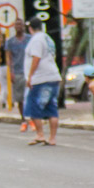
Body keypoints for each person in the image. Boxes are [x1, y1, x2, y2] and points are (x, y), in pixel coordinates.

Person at [23, 17, 61, 146]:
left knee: (34, 107)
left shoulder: (37, 40)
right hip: (53, 76)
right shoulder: (47, 38)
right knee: (52, 108)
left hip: (41, 78)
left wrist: (30, 76)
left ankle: (40, 134)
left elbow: (36, 58)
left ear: (30, 28)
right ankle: (52, 138)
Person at [3, 19, 31, 132]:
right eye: (17, 24)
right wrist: (11, 72)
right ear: (14, 27)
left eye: (21, 24)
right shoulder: (10, 42)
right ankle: (23, 120)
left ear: (24, 26)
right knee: (20, 98)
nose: (19, 26)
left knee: (30, 97)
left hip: (29, 71)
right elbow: (8, 58)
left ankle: (32, 119)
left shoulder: (30, 39)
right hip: (18, 72)